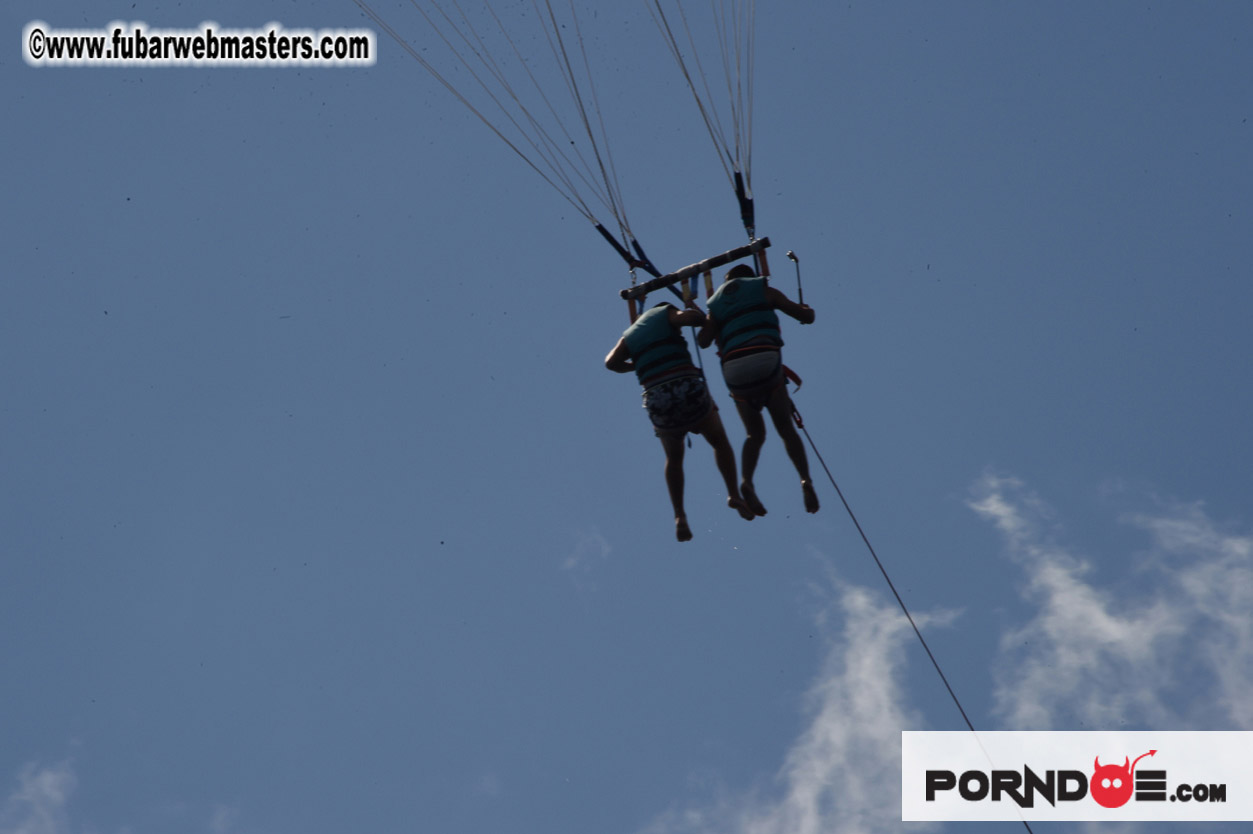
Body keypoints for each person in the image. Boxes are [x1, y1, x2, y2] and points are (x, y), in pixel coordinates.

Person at [606, 301, 756, 541]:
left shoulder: (630, 334)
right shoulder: (663, 312)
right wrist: (696, 315)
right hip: (685, 389)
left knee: (674, 460)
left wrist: (636, 364)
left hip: (658, 400)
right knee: (719, 441)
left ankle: (679, 515)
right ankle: (733, 494)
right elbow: (687, 319)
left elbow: (611, 363)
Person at [698, 263, 819, 515]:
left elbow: (703, 341)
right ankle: (805, 479)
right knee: (785, 428)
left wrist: (711, 320)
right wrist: (806, 310)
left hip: (736, 372)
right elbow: (806, 317)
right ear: (750, 279)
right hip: (765, 361)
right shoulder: (765, 291)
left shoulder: (716, 304)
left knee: (755, 435)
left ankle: (747, 482)